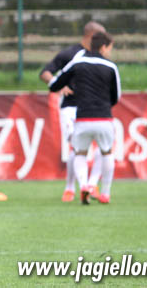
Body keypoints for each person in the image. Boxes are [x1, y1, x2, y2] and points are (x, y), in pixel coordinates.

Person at [49, 31, 120, 205]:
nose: (110, 52)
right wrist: (105, 105)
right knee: (106, 152)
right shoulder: (111, 66)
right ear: (103, 47)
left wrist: (61, 86)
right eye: (110, 48)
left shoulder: (77, 62)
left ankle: (83, 185)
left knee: (79, 153)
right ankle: (105, 193)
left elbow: (55, 84)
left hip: (82, 118)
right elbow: (116, 96)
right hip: (104, 118)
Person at [39, 21, 106, 202]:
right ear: (92, 36)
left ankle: (91, 185)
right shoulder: (70, 54)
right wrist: (59, 85)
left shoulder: (99, 56)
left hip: (92, 108)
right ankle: (70, 188)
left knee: (104, 148)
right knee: (77, 147)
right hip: (71, 108)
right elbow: (45, 72)